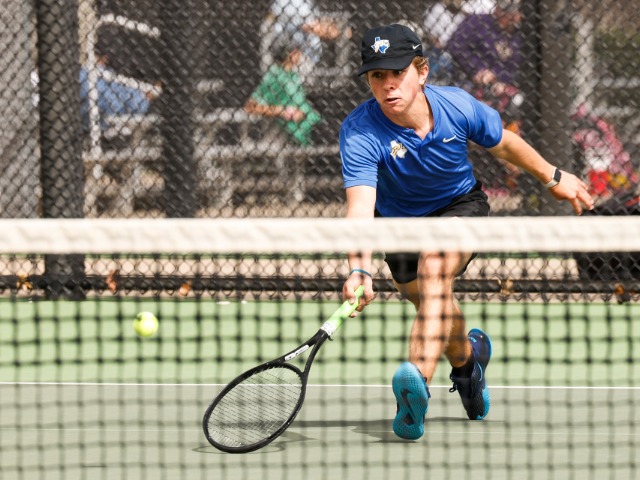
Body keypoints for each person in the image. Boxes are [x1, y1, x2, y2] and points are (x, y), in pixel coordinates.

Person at [339, 23, 594, 440]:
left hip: (460, 207)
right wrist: (359, 269)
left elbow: (504, 143)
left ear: (422, 71)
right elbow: (361, 207)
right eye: (377, 75)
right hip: (398, 226)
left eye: (397, 72)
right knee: (432, 302)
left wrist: (553, 176)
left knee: (434, 268)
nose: (387, 84)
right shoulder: (360, 131)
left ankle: (416, 386)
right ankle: (469, 364)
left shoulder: (457, 106)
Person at [245, 39, 321, 146]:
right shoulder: (275, 75)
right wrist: (282, 111)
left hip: (311, 124)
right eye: (297, 52)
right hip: (292, 131)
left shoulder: (293, 75)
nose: (300, 55)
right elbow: (251, 106)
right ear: (289, 54)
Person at [79, 52, 161, 137]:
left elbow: (127, 100)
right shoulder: (90, 74)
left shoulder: (112, 77)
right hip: (93, 117)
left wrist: (145, 97)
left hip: (104, 120)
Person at [260, 0, 347, 79]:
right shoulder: (302, 6)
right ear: (327, 22)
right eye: (327, 30)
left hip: (290, 66)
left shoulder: (315, 45)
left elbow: (307, 66)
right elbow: (273, 15)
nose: (324, 34)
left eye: (327, 37)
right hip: (275, 38)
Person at [421, 0, 495, 83]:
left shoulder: (462, 13)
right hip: (443, 49)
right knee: (443, 58)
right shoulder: (436, 10)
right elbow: (434, 39)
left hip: (459, 46)